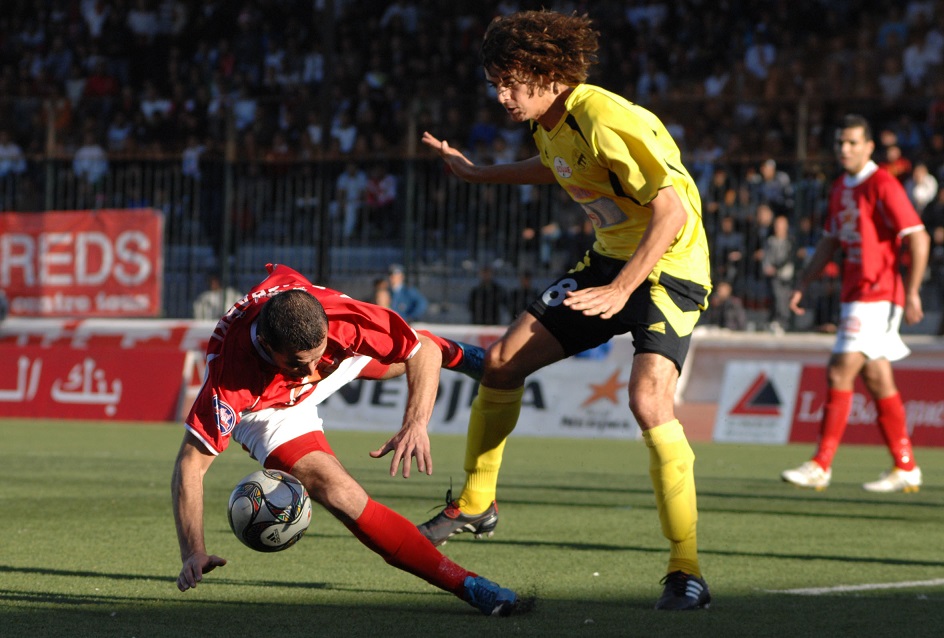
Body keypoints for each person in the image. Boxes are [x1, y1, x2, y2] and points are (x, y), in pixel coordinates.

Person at [419, 10, 712, 611]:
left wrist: (623, 289)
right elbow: (558, 169)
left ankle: (687, 571)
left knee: (648, 399)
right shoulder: (549, 120)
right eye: (495, 82)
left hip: (670, 268)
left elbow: (673, 211)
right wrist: (481, 174)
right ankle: (477, 501)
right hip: (611, 261)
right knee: (501, 363)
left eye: (513, 82)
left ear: (550, 72)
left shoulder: (605, 118)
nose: (502, 96)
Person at [171, 263, 516, 616]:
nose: (311, 373)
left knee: (417, 349)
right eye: (299, 363)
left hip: (329, 348)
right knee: (340, 495)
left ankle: (465, 355)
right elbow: (191, 465)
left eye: (316, 356)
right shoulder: (231, 382)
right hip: (266, 408)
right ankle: (467, 585)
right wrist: (193, 551)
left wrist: (415, 423)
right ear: (266, 344)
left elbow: (421, 352)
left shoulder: (342, 320)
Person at [782, 114, 930, 493]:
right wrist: (804, 281)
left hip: (877, 292)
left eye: (852, 143)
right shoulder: (840, 188)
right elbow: (830, 240)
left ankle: (821, 464)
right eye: (840, 143)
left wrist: (912, 290)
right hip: (856, 293)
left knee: (839, 370)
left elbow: (917, 236)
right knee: (876, 377)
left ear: (868, 147)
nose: (844, 149)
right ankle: (905, 466)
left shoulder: (883, 184)